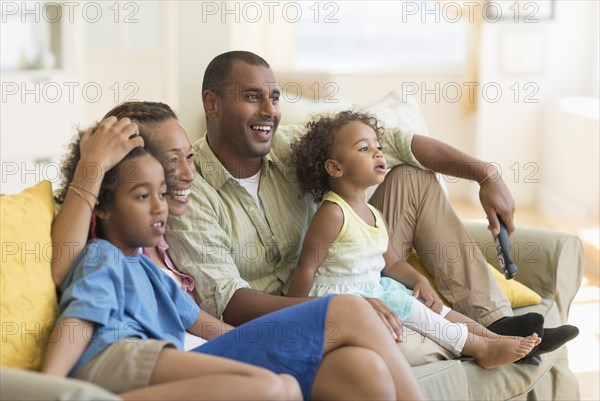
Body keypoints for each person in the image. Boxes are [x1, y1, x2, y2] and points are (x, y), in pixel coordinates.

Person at [165, 50, 577, 362]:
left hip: (346, 269)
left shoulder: (289, 145)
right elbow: (231, 301)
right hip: (298, 307)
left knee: (413, 176)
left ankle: (495, 324)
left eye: (274, 97)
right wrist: (342, 308)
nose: (270, 111)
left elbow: (398, 142)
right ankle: (479, 340)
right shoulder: (190, 187)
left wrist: (486, 174)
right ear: (212, 104)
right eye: (252, 97)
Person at [47, 101, 425, 401]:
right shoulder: (108, 250)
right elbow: (69, 285)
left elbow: (209, 327)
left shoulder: (151, 254)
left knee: (361, 371)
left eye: (188, 157)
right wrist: (91, 169)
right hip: (163, 360)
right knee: (349, 309)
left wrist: (279, 339)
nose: (187, 174)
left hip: (204, 350)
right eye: (169, 163)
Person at [286, 110, 546, 369]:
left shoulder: (374, 214)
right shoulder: (332, 213)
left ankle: (496, 337)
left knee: (435, 309)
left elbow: (393, 264)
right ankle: (481, 349)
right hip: (343, 297)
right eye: (364, 149)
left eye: (378, 147)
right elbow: (306, 268)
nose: (378, 153)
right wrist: (294, 312)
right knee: (418, 311)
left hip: (374, 288)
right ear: (335, 167)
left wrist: (419, 280)